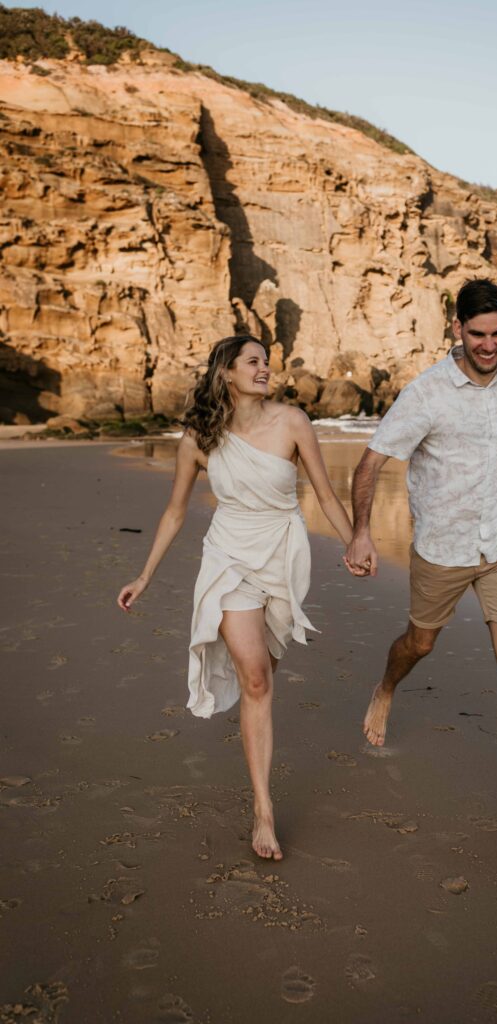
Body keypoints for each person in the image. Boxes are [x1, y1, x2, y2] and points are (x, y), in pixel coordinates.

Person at [118, 336, 363, 860]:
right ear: (226, 373)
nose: (264, 369)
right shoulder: (199, 438)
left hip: (282, 554)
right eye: (252, 362)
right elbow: (176, 513)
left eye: (265, 362)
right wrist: (144, 576)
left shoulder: (293, 422)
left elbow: (323, 493)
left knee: (265, 676)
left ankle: (259, 782)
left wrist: (354, 544)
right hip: (228, 556)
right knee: (254, 674)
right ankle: (263, 810)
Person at [345, 279, 497, 829]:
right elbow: (371, 464)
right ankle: (385, 687)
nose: (489, 344)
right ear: (456, 330)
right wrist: (361, 533)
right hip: (442, 549)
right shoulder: (427, 394)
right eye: (477, 334)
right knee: (419, 643)